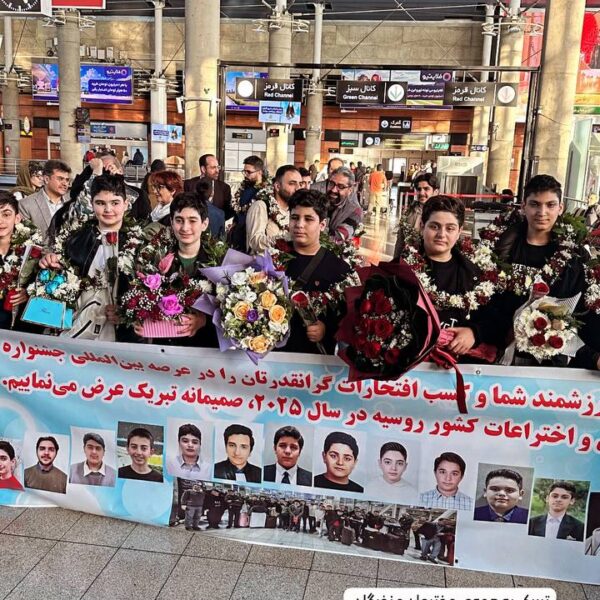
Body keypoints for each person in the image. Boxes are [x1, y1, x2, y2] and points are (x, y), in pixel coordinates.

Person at [397, 195, 502, 361]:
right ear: (422, 226)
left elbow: (494, 320)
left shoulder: (475, 274)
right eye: (434, 226)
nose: (441, 234)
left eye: (450, 228)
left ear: (459, 231)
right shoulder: (400, 270)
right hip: (411, 363)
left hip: (458, 365)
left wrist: (474, 333)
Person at [41, 174, 144, 342]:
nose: (108, 210)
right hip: (78, 326)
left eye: (115, 203)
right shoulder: (75, 238)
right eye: (101, 203)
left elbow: (147, 293)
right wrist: (49, 262)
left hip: (121, 336)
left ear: (126, 204)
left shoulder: (140, 243)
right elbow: (60, 278)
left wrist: (126, 314)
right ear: (92, 203)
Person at [130, 192, 217, 347]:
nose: (185, 228)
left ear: (204, 224)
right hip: (164, 348)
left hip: (204, 348)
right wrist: (140, 318)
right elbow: (142, 300)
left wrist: (203, 320)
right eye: (179, 220)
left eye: (192, 221)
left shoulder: (219, 262)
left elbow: (227, 312)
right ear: (171, 222)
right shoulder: (155, 257)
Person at [282, 188, 353, 354]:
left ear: (322, 225)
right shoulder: (273, 258)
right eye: (294, 217)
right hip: (273, 356)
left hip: (314, 358)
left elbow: (348, 320)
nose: (299, 225)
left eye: (308, 219)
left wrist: (326, 329)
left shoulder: (339, 269)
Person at [246, 164, 301, 254]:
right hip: (264, 262)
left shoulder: (295, 210)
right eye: (292, 183)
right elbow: (254, 241)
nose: (298, 188)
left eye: (300, 184)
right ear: (277, 186)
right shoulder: (261, 206)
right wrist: (283, 240)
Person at [0, 192, 35, 330]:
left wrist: (28, 292)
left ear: (17, 218)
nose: (0, 221)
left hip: (20, 329)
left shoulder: (30, 251)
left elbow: (38, 283)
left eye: (6, 215)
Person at [19, 160, 71, 243]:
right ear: (46, 179)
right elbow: (23, 240)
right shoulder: (26, 205)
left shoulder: (73, 203)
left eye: (67, 180)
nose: (65, 184)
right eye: (60, 179)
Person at [393, 173, 439, 259]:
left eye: (426, 189)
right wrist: (395, 260)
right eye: (419, 189)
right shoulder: (409, 212)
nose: (421, 193)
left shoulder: (440, 214)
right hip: (408, 260)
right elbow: (400, 241)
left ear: (435, 192)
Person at [229, 155, 266, 251]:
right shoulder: (244, 188)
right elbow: (238, 208)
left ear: (259, 172)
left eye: (249, 172)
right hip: (238, 234)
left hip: (252, 236)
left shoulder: (266, 192)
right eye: (244, 171)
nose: (245, 175)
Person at [184, 154, 233, 219]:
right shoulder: (189, 184)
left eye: (218, 167)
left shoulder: (225, 188)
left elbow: (228, 212)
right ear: (203, 169)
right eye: (213, 167)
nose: (217, 171)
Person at [324, 166, 363, 242]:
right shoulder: (317, 201)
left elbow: (338, 237)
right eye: (331, 184)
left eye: (341, 186)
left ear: (350, 190)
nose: (333, 190)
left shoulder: (354, 211)